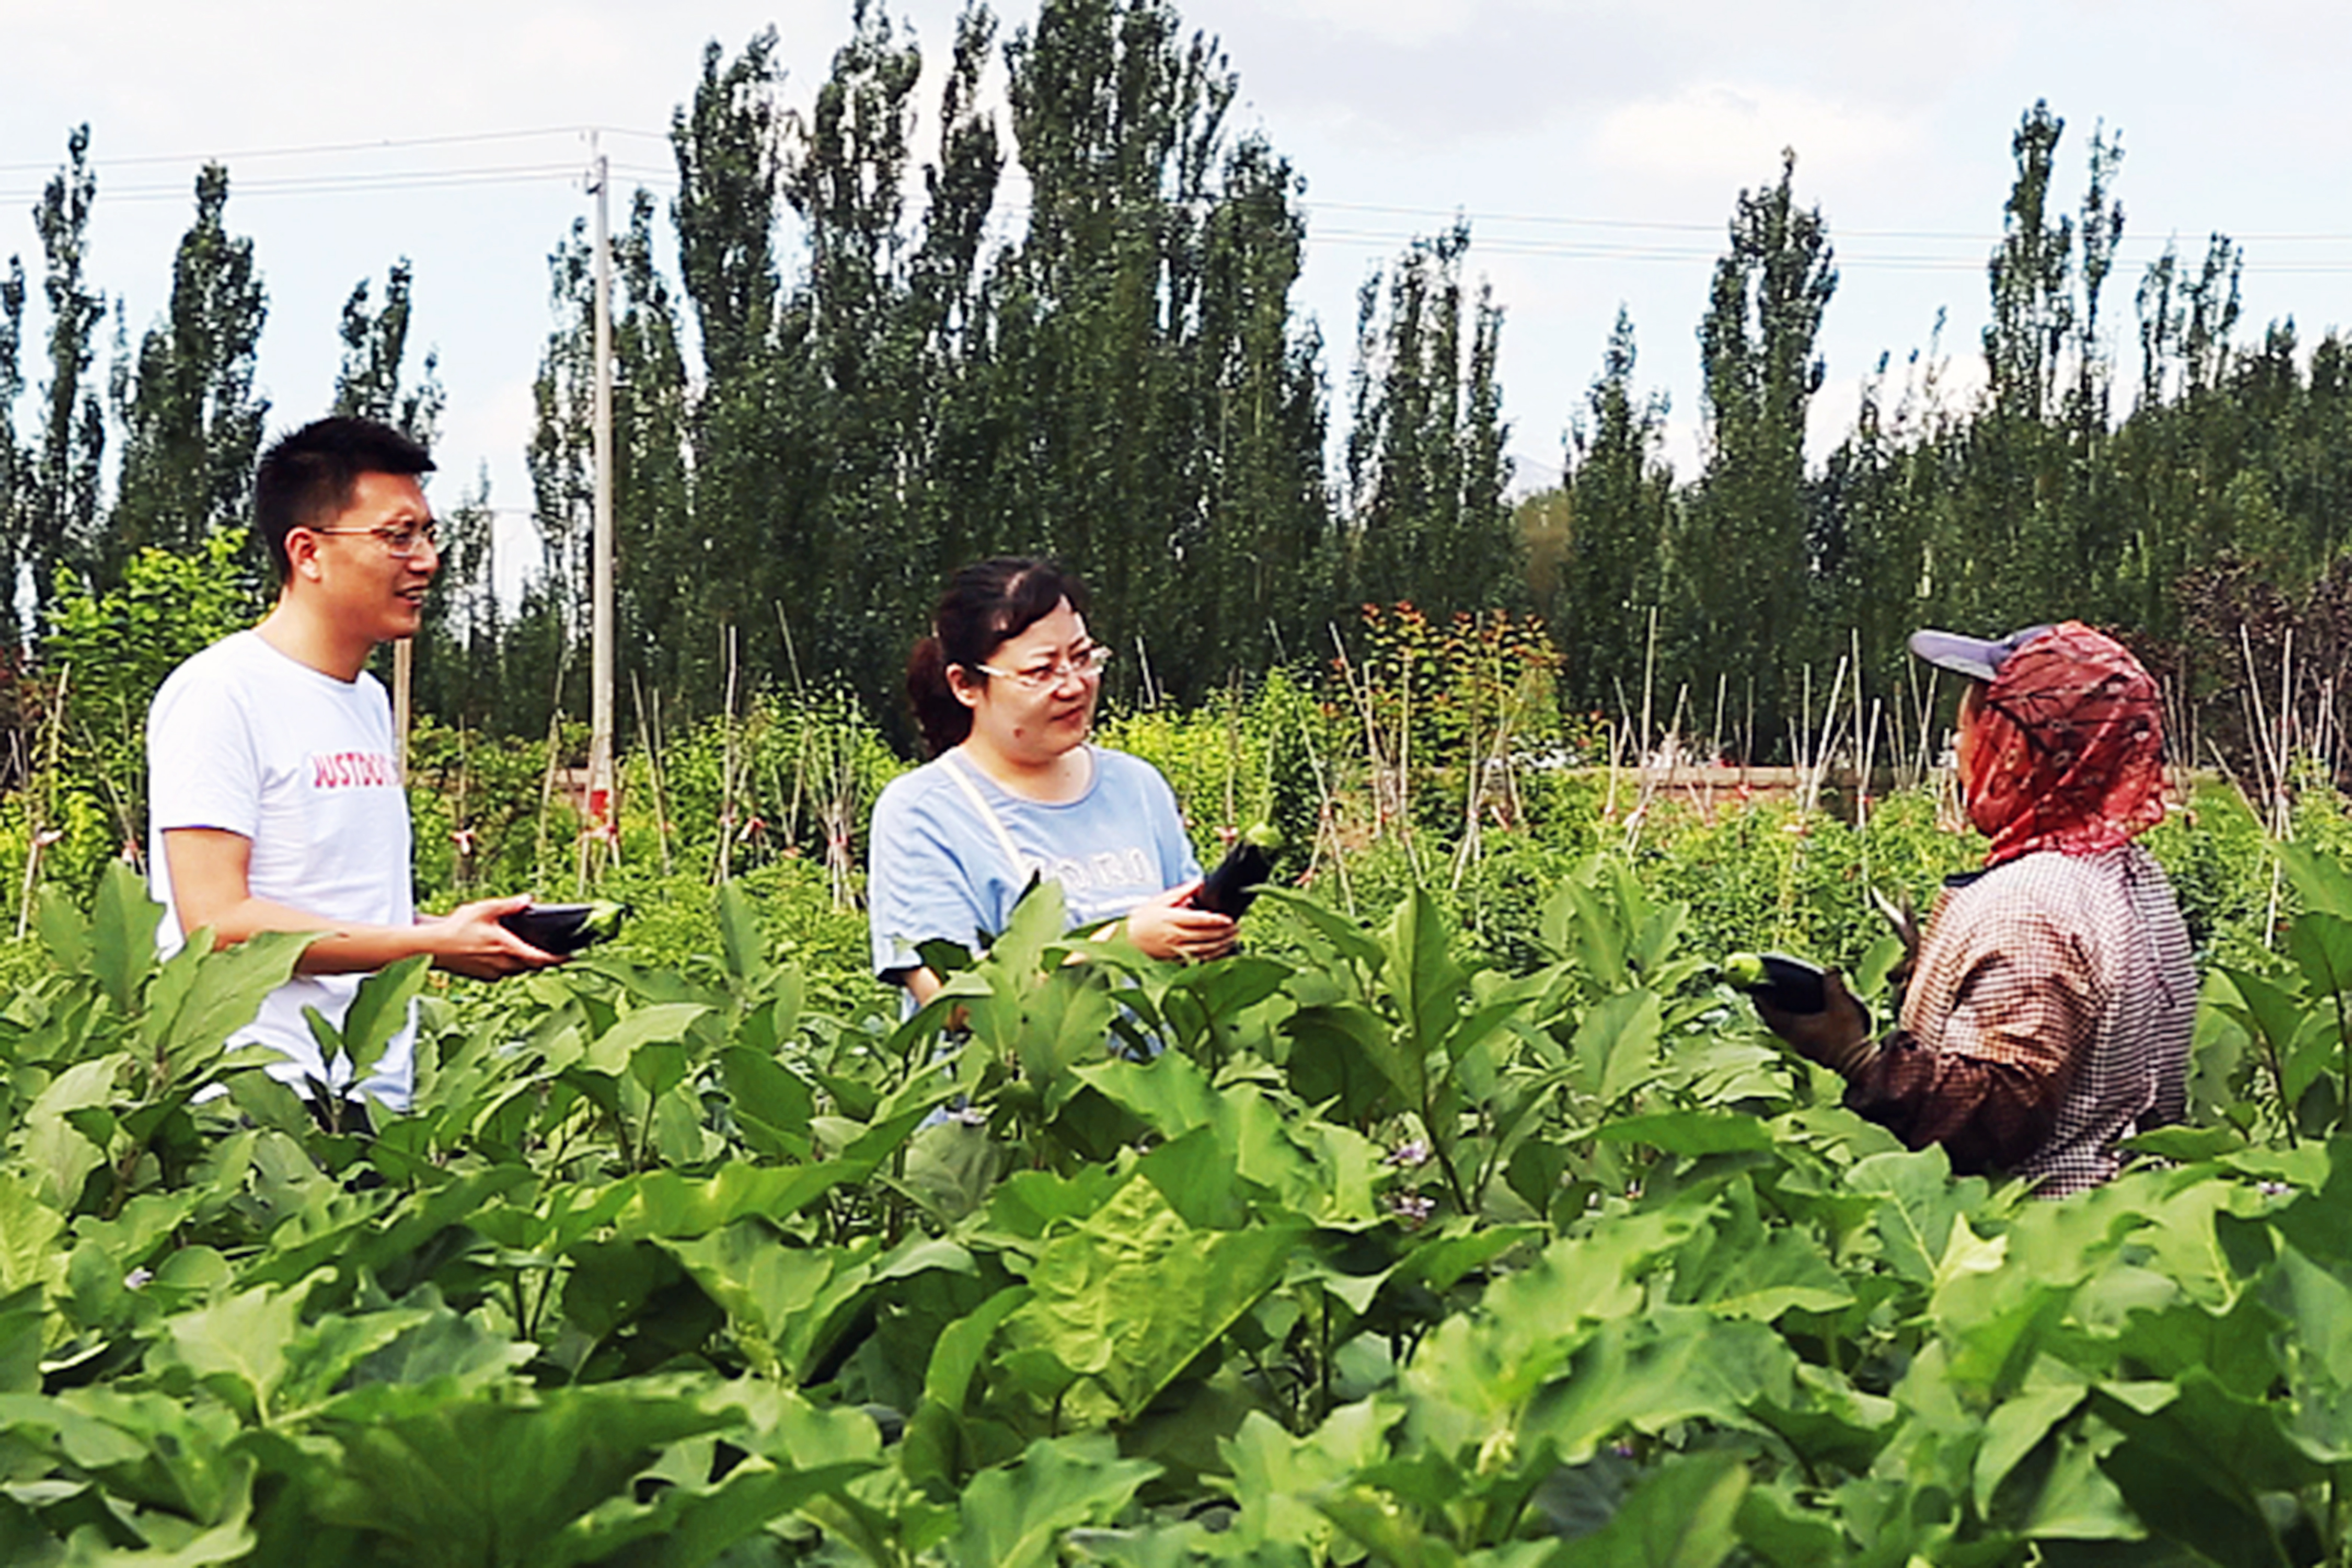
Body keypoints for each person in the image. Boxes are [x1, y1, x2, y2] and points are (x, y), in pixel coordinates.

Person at [147, 416, 564, 1115]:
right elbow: (216, 921)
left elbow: (338, 907)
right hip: (255, 1100)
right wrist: (425, 945)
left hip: (367, 1089)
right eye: (397, 536)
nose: (425, 560)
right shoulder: (221, 693)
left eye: (429, 535)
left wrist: (450, 930)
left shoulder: (366, 700)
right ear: (308, 552)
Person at [1755, 620, 2195, 1195]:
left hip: (2038, 1243)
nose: (1959, 747)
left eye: (1971, 727)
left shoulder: (2027, 904)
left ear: (2018, 749)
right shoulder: (2133, 875)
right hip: (2136, 1212)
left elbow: (1998, 1116)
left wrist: (1855, 1057)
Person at [868, 557, 1236, 1009]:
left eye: (1083, 659)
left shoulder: (1136, 785)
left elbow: (1192, 947)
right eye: (1042, 672)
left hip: (1153, 1077)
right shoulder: (923, 809)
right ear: (966, 685)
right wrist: (1119, 944)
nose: (1074, 686)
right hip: (1020, 1078)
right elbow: (950, 1005)